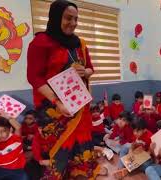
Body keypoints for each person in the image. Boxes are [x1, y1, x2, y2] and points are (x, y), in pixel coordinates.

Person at [27, 0, 106, 178]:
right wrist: (57, 102)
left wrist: (84, 71)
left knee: (81, 148)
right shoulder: (41, 43)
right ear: (56, 17)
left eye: (76, 19)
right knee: (58, 153)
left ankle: (79, 173)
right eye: (68, 18)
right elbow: (34, 77)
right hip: (54, 110)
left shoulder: (80, 44)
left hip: (79, 107)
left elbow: (91, 68)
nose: (73, 23)